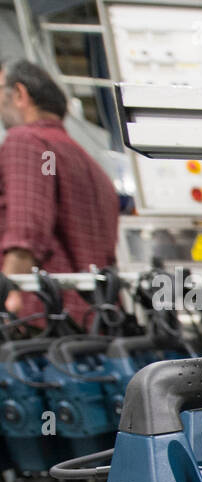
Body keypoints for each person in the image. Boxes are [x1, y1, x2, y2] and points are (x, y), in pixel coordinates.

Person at [0, 60, 119, 325]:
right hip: (93, 317)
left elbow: (26, 230)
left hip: (38, 318)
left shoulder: (28, 142)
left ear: (19, 94)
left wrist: (9, 295)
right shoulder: (85, 161)